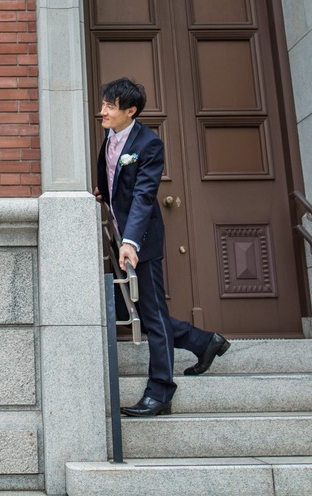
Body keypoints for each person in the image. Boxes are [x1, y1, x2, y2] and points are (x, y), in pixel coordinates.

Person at [95, 78, 230, 417]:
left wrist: (130, 241)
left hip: (141, 242)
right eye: (104, 104)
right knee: (146, 312)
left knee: (152, 316)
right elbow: (115, 182)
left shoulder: (149, 143)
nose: (103, 111)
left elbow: (143, 195)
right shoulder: (110, 137)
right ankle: (204, 342)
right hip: (120, 236)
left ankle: (160, 392)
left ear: (131, 111)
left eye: (110, 106)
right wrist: (105, 194)